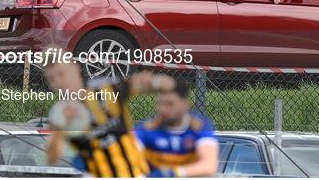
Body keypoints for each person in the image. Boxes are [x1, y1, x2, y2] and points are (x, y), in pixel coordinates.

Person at [44, 60, 176, 177]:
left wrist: (154, 81)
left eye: (61, 73)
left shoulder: (107, 88)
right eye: (52, 79)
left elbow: (168, 85)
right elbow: (51, 159)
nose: (58, 81)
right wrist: (59, 128)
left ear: (75, 67)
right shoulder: (58, 114)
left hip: (135, 173)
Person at [136, 76, 218, 177]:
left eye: (170, 104)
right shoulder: (147, 128)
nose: (163, 109)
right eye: (160, 103)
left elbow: (209, 166)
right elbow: (128, 160)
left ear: (186, 104)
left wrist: (174, 173)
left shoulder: (199, 127)